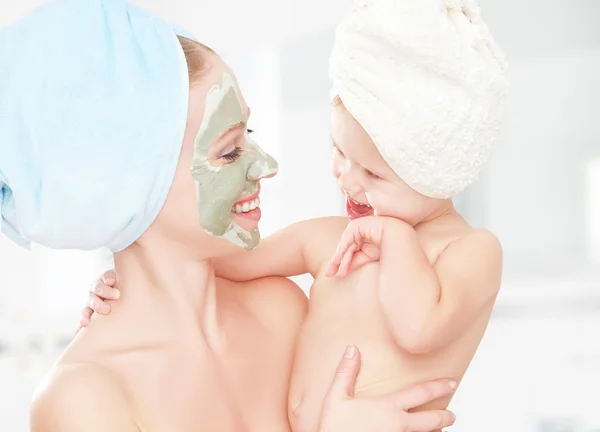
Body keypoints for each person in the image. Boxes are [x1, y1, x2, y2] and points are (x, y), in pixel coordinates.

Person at [0, 0, 457, 431]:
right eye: (229, 151)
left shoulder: (282, 310)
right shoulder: (84, 399)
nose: (266, 165)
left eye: (249, 134)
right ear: (131, 185)